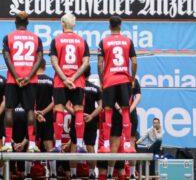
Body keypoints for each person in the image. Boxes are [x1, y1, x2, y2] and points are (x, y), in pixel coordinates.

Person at [2, 11, 44, 151]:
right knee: (30, 111)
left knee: (9, 110)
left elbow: (7, 58)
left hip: (12, 80)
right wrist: (29, 76)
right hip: (30, 80)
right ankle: (32, 145)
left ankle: (8, 144)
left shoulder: (8, 37)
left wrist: (16, 76)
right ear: (27, 23)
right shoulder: (36, 38)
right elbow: (39, 59)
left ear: (15, 22)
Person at [97, 16, 138, 152]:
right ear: (120, 25)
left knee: (108, 111)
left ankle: (106, 145)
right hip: (124, 80)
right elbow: (135, 61)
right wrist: (132, 78)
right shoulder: (128, 41)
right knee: (126, 110)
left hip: (109, 81)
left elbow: (99, 63)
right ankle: (127, 144)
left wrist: (102, 80)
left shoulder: (103, 42)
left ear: (109, 26)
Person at [51, 12, 89, 152]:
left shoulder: (56, 40)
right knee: (79, 110)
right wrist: (73, 78)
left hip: (61, 82)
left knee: (59, 110)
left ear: (62, 23)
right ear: (74, 24)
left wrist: (65, 79)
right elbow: (86, 63)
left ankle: (58, 145)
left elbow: (54, 62)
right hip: (77, 81)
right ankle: (79, 144)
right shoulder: (81, 40)